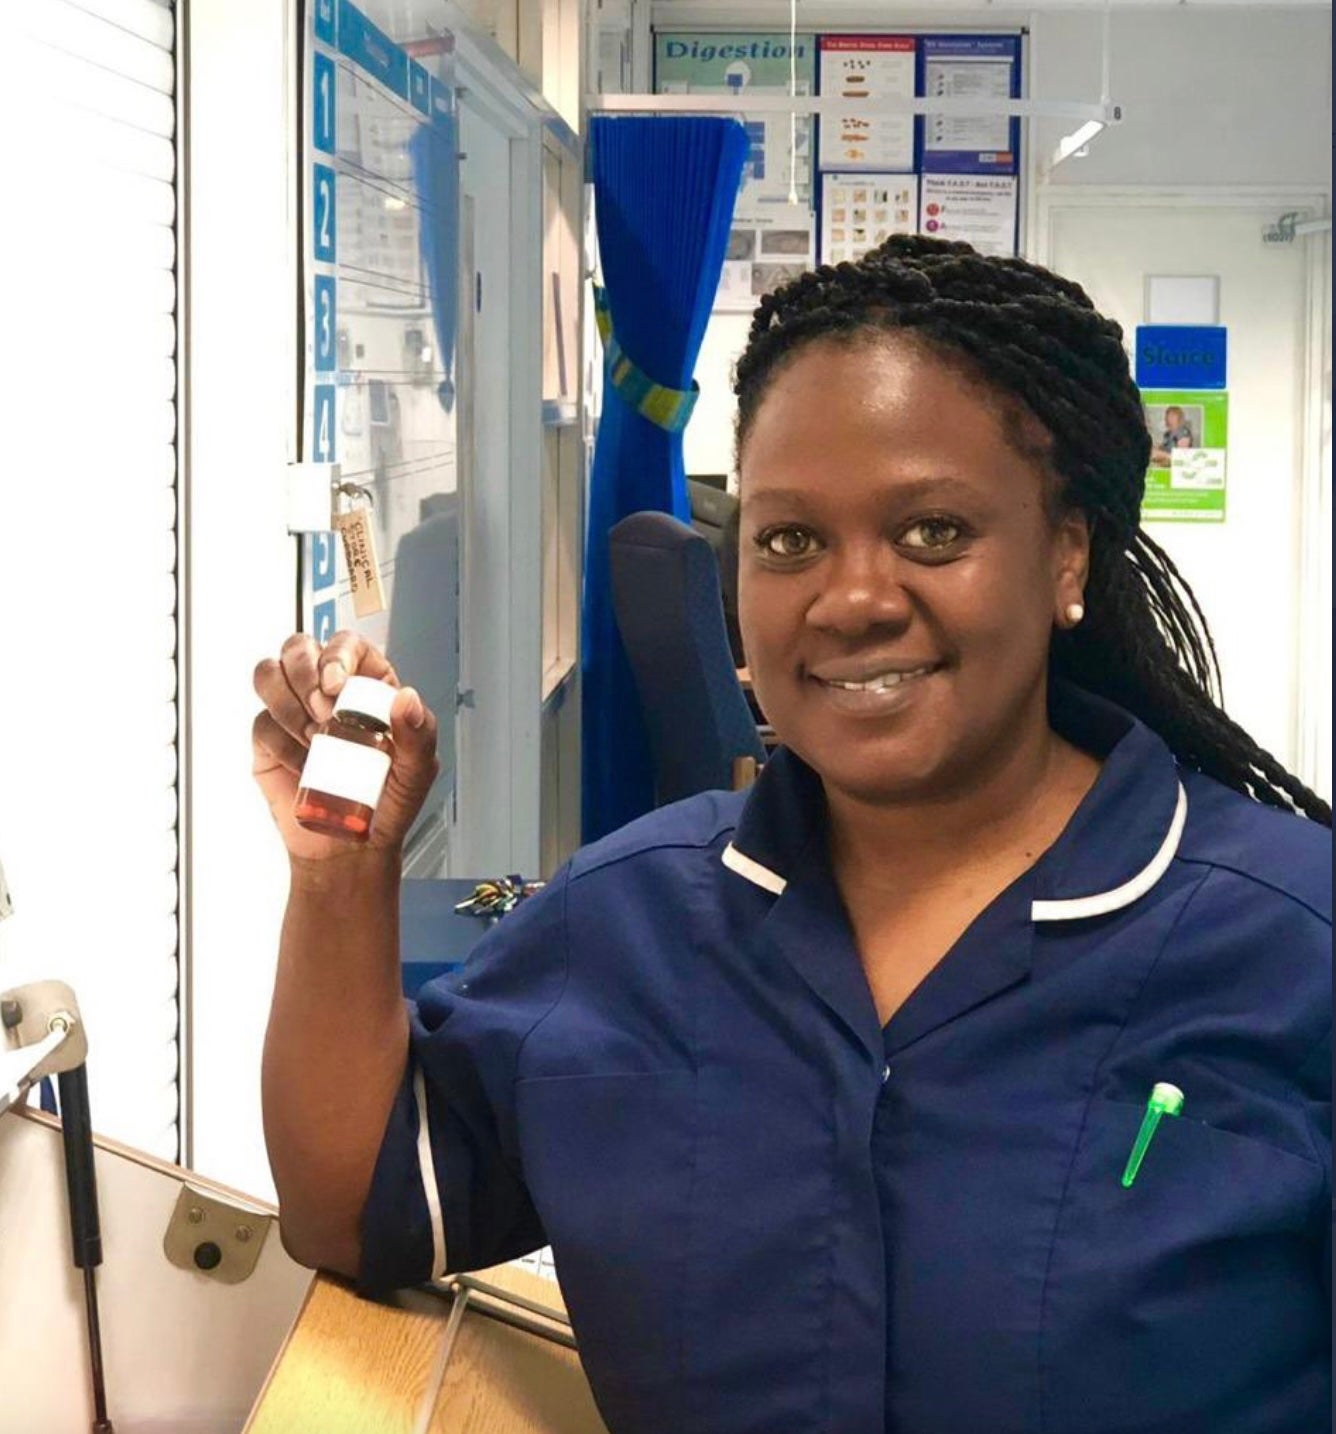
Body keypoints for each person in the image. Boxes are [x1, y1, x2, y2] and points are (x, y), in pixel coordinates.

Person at [253, 235, 1331, 1434]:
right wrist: (343, 877)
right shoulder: (630, 922)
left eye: (931, 531)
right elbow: (356, 1207)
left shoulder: (1291, 948)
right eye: (788, 540)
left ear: (1064, 554)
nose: (852, 598)